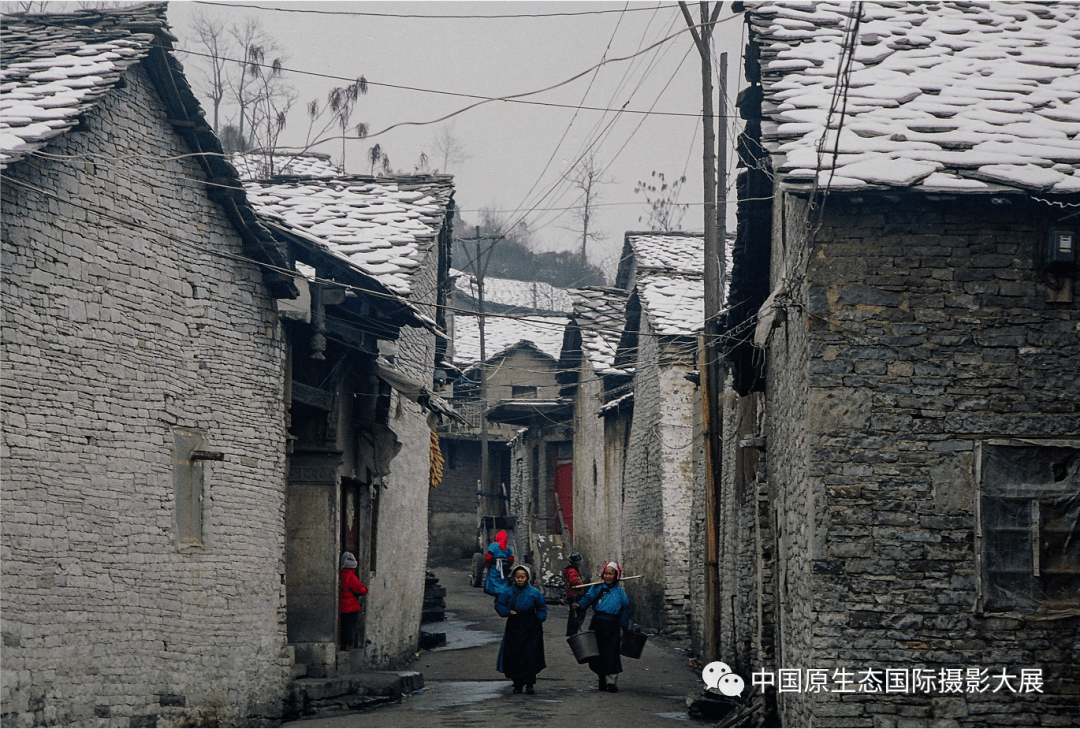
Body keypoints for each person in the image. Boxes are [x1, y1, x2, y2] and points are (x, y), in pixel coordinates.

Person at [576, 560, 630, 693]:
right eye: (606, 573)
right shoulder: (597, 588)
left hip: (612, 625)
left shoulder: (619, 592)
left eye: (611, 574)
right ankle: (601, 678)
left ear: (616, 576)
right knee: (597, 652)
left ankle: (611, 681)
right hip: (598, 623)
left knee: (611, 652)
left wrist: (624, 625)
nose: (608, 576)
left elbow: (625, 607)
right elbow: (588, 598)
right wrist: (580, 605)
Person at [493, 564, 547, 695]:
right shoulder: (508, 592)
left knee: (530, 654)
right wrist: (507, 611)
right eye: (517, 577)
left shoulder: (534, 593)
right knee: (514, 654)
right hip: (514, 625)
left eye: (523, 577)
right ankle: (517, 684)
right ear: (514, 578)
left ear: (527, 578)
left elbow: (541, 607)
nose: (520, 579)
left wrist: (538, 620)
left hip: (531, 627)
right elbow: (499, 603)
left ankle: (529, 684)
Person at [339, 552, 368, 651]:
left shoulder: (341, 575)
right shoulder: (351, 576)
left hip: (342, 605)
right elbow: (359, 590)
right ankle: (348, 644)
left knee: (343, 625)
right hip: (351, 606)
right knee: (350, 626)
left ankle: (342, 643)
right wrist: (365, 589)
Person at [483, 530, 514, 595]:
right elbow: (511, 558)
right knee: (504, 580)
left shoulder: (493, 545)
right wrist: (508, 565)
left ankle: (496, 593)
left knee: (494, 580)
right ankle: (503, 593)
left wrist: (487, 564)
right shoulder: (507, 547)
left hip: (495, 567)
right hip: (504, 567)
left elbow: (488, 556)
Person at [563, 553, 587, 636]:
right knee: (576, 614)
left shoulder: (574, 569)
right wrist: (581, 583)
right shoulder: (571, 570)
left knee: (575, 613)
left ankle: (573, 630)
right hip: (574, 595)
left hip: (575, 594)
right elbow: (574, 581)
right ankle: (573, 632)